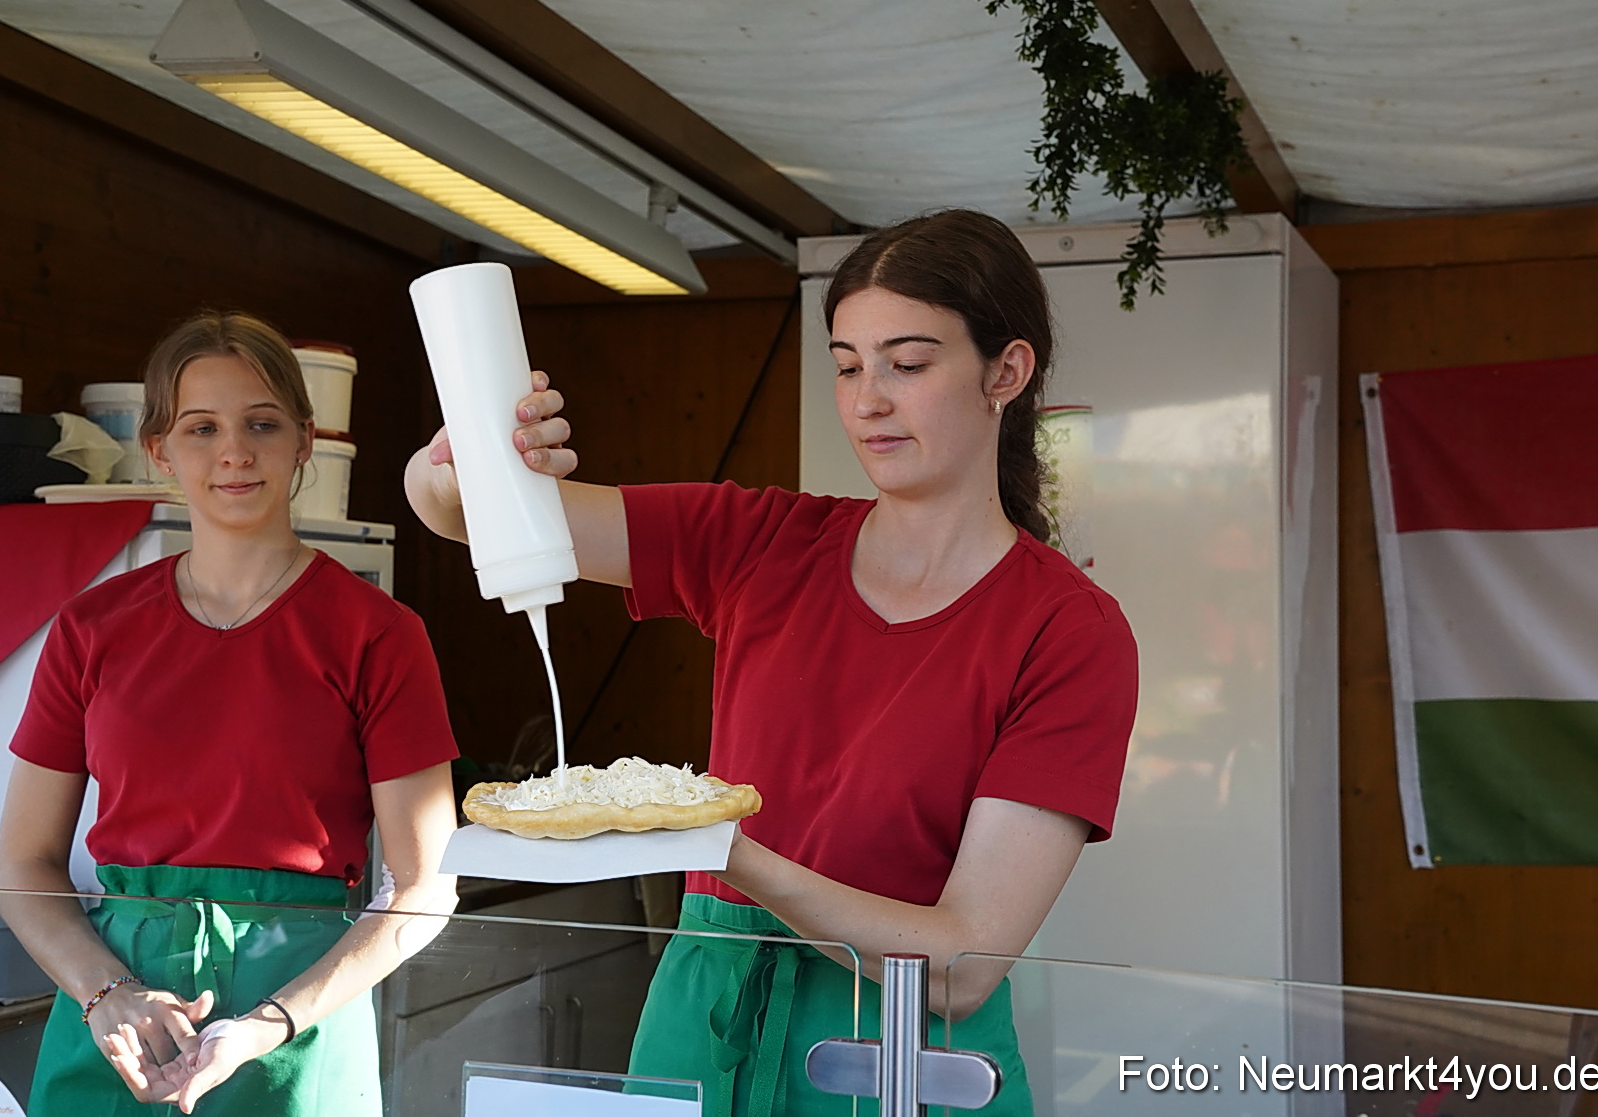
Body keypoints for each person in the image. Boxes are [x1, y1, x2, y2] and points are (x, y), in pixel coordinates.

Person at [405, 208, 1138, 1114]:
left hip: (895, 1055)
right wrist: (457, 468)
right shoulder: (761, 540)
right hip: (706, 1028)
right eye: (846, 365)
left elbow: (959, 964)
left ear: (1007, 371)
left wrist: (723, 850)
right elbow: (480, 519)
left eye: (908, 364)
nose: (869, 397)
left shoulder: (1066, 630)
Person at [0, 312, 460, 1115]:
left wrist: (272, 1022)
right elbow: (23, 863)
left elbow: (422, 887)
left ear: (305, 441)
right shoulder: (91, 627)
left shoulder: (380, 634)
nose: (235, 451)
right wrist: (107, 990)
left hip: (297, 1022)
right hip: (118, 1028)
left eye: (262, 423)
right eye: (201, 427)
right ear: (159, 450)